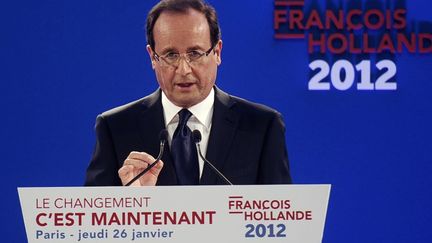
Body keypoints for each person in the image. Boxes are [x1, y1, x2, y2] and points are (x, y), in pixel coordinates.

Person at [84, 0, 292, 186]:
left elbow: (282, 220)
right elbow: (91, 225)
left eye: (195, 53)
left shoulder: (262, 127)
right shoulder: (115, 128)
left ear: (217, 52)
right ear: (152, 57)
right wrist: (131, 202)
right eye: (170, 55)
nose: (183, 69)